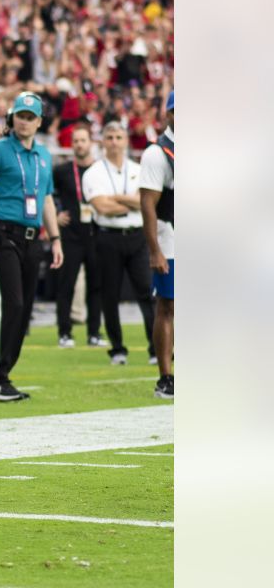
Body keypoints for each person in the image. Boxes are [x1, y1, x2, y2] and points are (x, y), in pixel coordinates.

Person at [0, 92, 63, 402]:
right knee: (10, 305)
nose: (24, 121)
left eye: (30, 116)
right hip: (2, 234)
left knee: (23, 313)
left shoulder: (44, 156)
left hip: (32, 237)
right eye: (19, 115)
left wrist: (55, 238)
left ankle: (1, 375)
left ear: (38, 122)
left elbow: (47, 198)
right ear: (12, 119)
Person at [82, 122, 156, 366]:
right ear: (103, 141)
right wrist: (133, 202)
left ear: (126, 141)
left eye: (118, 137)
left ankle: (156, 348)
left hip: (137, 236)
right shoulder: (94, 172)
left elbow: (148, 202)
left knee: (147, 293)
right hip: (108, 237)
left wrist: (117, 198)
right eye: (110, 137)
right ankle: (117, 348)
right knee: (109, 295)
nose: (114, 142)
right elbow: (101, 206)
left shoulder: (138, 169)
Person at [50, 122, 106, 348]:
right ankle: (65, 332)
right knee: (66, 285)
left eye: (83, 140)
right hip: (70, 236)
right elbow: (46, 193)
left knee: (96, 286)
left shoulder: (100, 170)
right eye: (76, 141)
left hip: (95, 233)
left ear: (91, 143)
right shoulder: (62, 170)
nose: (79, 145)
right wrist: (55, 214)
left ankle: (94, 333)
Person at [139, 91, 174, 399]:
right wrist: (155, 249)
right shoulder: (157, 154)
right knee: (169, 305)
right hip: (171, 237)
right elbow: (148, 204)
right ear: (169, 115)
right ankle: (165, 376)